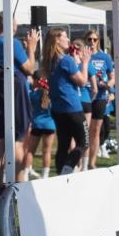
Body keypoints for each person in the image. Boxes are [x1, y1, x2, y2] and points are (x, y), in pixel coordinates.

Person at [0, 13, 38, 195]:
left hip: (1, 93)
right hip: (15, 93)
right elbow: (30, 68)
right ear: (10, 24)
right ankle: (17, 183)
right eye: (16, 22)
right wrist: (31, 48)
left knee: (1, 138)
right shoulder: (11, 42)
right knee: (18, 138)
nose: (18, 26)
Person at [43, 28, 91, 175]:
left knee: (63, 144)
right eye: (65, 37)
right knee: (84, 142)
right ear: (57, 40)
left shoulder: (48, 60)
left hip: (58, 109)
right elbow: (82, 81)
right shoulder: (65, 60)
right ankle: (68, 168)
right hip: (72, 108)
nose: (68, 40)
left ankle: (60, 174)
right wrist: (84, 63)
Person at [84, 30, 115, 170]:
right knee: (85, 130)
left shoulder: (105, 57)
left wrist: (109, 84)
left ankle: (92, 162)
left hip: (101, 96)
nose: (92, 42)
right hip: (85, 95)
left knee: (96, 131)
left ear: (98, 41)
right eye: (89, 39)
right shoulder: (82, 55)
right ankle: (82, 162)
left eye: (95, 39)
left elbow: (112, 77)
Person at [23, 72, 56, 179]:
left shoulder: (33, 94)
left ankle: (25, 173)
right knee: (47, 151)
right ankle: (45, 175)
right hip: (50, 125)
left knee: (30, 151)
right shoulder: (52, 94)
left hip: (36, 124)